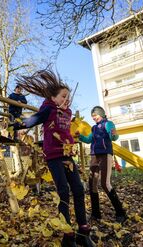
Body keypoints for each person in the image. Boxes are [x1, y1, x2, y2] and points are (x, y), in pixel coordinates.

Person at [13, 69, 95, 247]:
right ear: (54, 98)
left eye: (68, 96)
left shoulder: (68, 112)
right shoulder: (48, 109)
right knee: (63, 191)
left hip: (67, 156)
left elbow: (65, 131)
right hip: (53, 156)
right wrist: (18, 125)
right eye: (63, 96)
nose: (67, 99)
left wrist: (73, 138)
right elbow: (33, 120)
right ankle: (68, 234)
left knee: (79, 190)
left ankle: (83, 231)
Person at [77, 106, 127, 223]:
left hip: (105, 154)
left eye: (95, 115)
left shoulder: (108, 124)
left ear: (101, 114)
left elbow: (113, 136)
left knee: (105, 183)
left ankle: (121, 213)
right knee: (92, 184)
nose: (93, 118)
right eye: (92, 116)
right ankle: (96, 213)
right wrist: (79, 136)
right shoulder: (94, 128)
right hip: (95, 155)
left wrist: (114, 135)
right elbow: (89, 139)